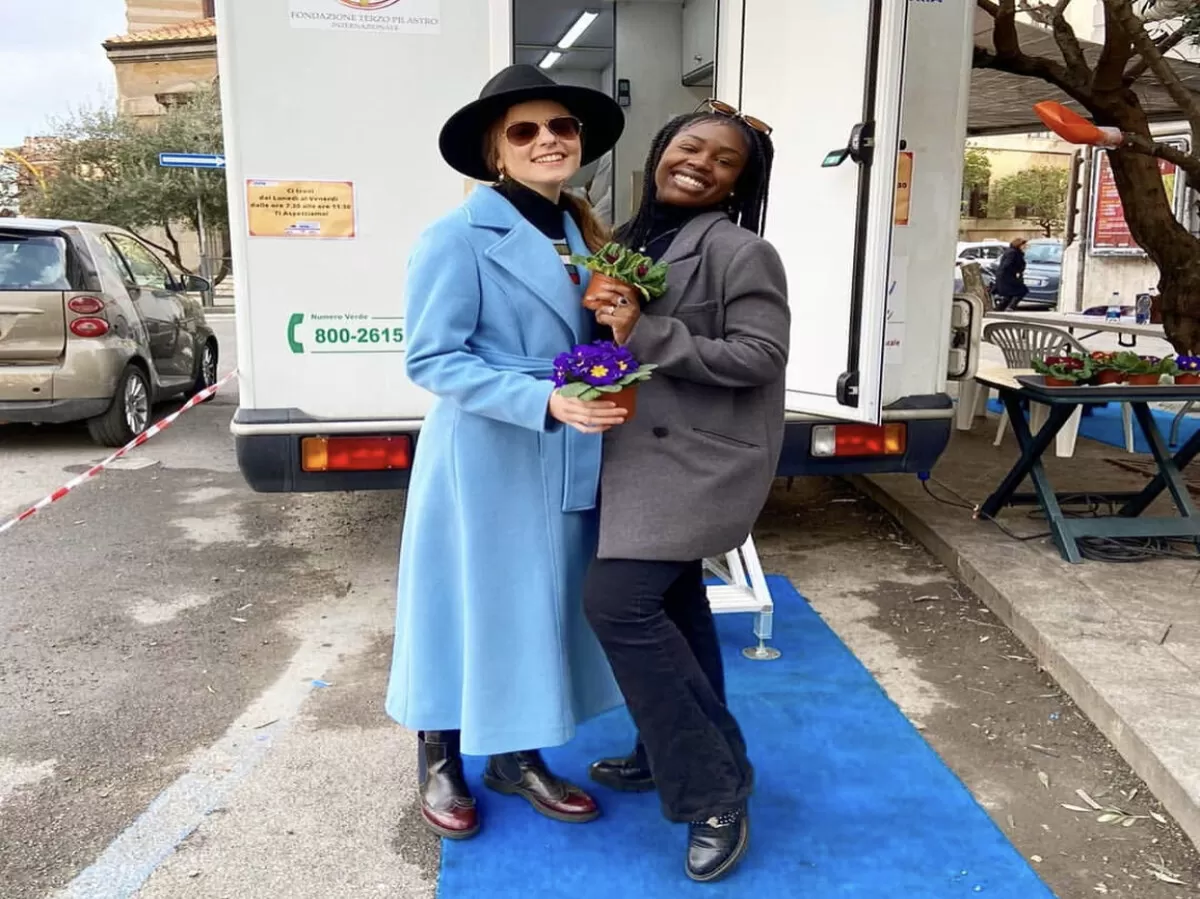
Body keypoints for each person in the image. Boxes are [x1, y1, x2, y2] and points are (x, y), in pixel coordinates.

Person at [384, 64, 628, 841]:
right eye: (525, 130)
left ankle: (515, 754)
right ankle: (439, 757)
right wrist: (541, 399)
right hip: (486, 457)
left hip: (565, 451)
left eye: (562, 127)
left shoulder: (584, 231)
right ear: (496, 152)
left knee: (537, 608)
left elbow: (587, 336)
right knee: (463, 603)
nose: (547, 140)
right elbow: (431, 358)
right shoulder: (455, 236)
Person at [580, 101, 789, 882]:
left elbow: (760, 356)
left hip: (698, 462)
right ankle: (664, 746)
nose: (700, 162)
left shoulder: (742, 251)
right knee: (674, 605)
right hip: (628, 452)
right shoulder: (625, 240)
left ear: (741, 181)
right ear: (660, 152)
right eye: (688, 146)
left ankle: (713, 790)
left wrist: (648, 332)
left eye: (725, 159)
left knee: (618, 601)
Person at [992, 237, 1028, 311]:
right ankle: (1010, 307)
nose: (1026, 247)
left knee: (1009, 294)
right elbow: (1007, 265)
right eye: (1024, 245)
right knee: (1022, 290)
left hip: (1006, 276)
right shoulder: (1013, 252)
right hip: (1007, 277)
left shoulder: (1015, 252)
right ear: (1019, 245)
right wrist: (1016, 272)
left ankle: (999, 309)